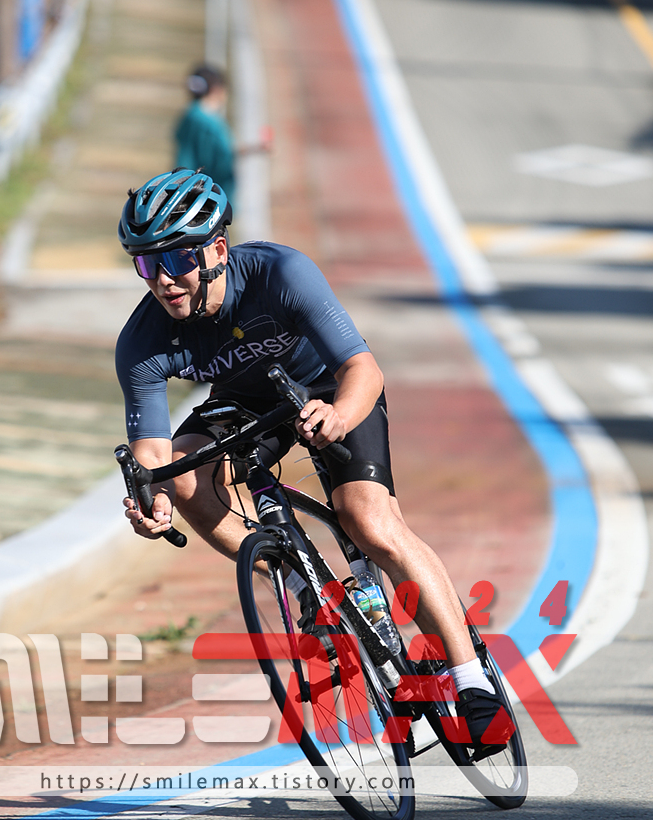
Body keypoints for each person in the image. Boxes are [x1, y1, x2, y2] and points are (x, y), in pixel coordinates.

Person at [114, 169, 515, 752]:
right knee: (182, 475)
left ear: (218, 250)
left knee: (369, 522)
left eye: (177, 259)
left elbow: (363, 370)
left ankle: (470, 680)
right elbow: (153, 456)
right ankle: (303, 586)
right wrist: (152, 501)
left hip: (329, 387)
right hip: (243, 402)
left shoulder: (281, 273)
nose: (164, 280)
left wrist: (339, 416)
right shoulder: (142, 341)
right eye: (148, 264)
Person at [172, 64, 236, 206]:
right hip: (208, 195)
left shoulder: (189, 115)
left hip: (183, 185)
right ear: (216, 89)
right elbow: (226, 151)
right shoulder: (211, 122)